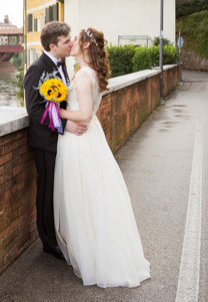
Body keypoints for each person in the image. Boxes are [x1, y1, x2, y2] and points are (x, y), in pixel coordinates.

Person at [53, 27, 151, 288]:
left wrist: (57, 112)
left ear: (86, 46)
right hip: (90, 139)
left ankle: (92, 256)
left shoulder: (84, 76)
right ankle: (95, 250)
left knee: (82, 198)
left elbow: (84, 114)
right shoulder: (91, 74)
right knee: (93, 196)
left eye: (76, 39)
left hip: (81, 140)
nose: (72, 42)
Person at [24, 21, 82, 261]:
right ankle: (47, 241)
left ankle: (58, 234)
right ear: (52, 45)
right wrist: (64, 124)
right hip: (44, 141)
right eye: (66, 41)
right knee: (46, 191)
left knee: (59, 190)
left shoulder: (63, 62)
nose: (71, 44)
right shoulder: (36, 69)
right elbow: (34, 109)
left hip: (61, 140)